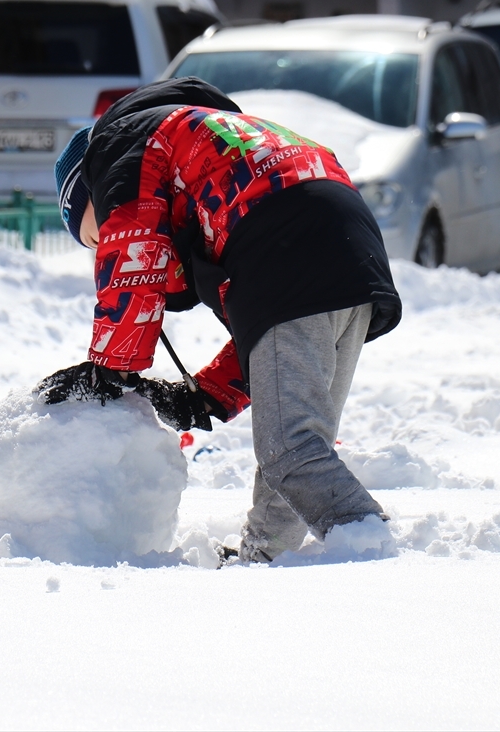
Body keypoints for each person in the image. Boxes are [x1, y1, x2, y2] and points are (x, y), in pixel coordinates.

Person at [37, 77, 401, 563]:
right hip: (347, 249)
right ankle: (266, 555)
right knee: (296, 445)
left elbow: (135, 248)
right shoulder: (214, 149)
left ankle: (371, 547)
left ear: (92, 188)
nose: (105, 249)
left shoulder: (121, 146)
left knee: (290, 449)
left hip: (287, 250)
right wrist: (208, 396)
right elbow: (266, 332)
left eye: (96, 235)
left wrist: (111, 366)